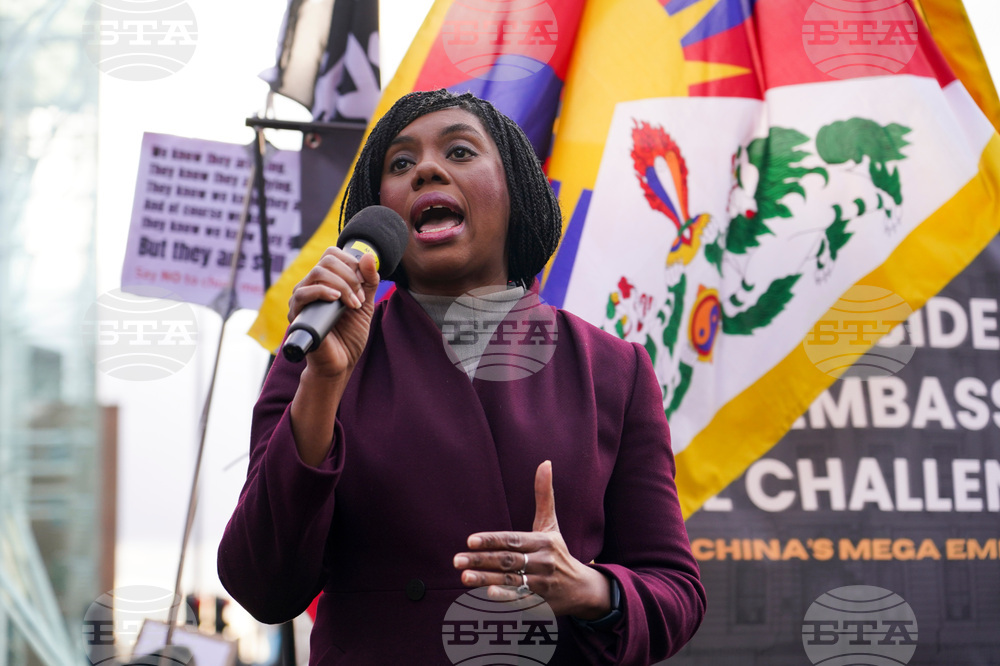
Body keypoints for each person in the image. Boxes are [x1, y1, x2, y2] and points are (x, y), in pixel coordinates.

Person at [218, 89, 706, 665]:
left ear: (513, 191)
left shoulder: (612, 369)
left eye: (460, 151)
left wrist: (589, 589)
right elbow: (261, 584)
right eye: (400, 165)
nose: (426, 168)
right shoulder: (315, 351)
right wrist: (323, 385)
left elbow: (676, 590)